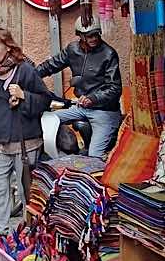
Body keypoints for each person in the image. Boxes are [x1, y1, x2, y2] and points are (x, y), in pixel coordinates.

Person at [0, 27, 66, 261]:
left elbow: (46, 100)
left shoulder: (25, 71)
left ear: (8, 46)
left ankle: (35, 245)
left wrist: (24, 95)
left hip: (25, 145)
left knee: (29, 194)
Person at [36, 16, 123, 158]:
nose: (94, 38)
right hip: (80, 107)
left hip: (104, 111)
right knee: (46, 119)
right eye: (89, 36)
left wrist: (93, 98)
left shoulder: (108, 54)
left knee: (95, 156)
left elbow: (115, 88)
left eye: (96, 34)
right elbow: (51, 65)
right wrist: (30, 75)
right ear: (80, 36)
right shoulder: (72, 49)